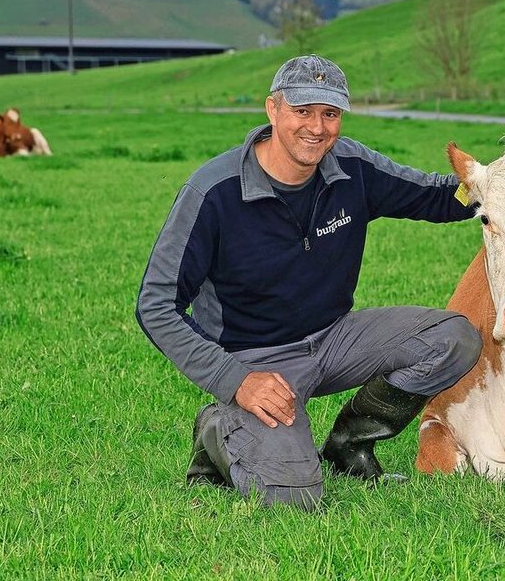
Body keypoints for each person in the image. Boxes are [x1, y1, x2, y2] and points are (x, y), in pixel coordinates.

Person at [136, 55, 481, 511]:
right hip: (257, 362)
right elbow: (155, 305)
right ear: (272, 109)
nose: (317, 128)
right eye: (302, 111)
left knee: (454, 338)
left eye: (330, 113)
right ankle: (218, 429)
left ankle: (348, 448)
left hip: (335, 338)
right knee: (294, 497)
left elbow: (438, 196)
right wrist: (234, 379)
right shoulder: (213, 193)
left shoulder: (351, 167)